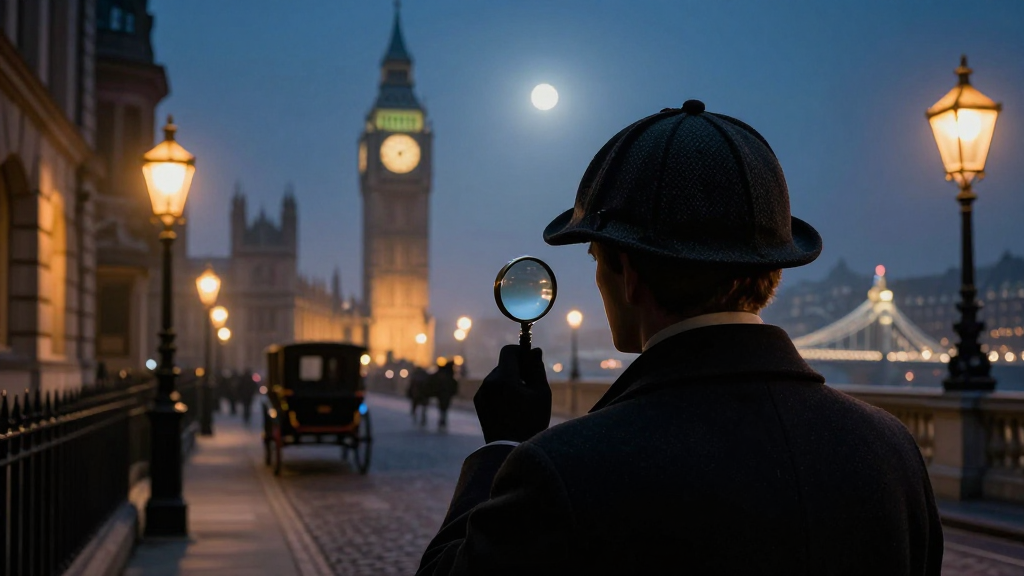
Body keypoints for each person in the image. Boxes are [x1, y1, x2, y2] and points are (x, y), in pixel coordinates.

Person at [416, 100, 942, 574]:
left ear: (628, 273)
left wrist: (502, 447)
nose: (597, 279)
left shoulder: (566, 469)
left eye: (596, 258)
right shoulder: (891, 451)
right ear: (771, 267)